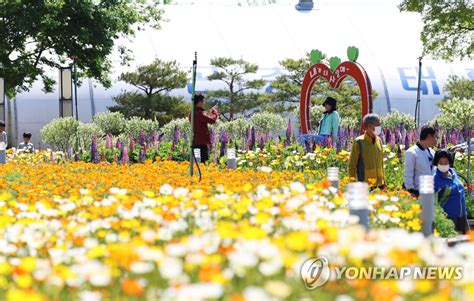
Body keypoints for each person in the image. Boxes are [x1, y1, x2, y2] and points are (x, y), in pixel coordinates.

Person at [433, 150, 469, 234]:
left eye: (446, 162)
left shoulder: (453, 174)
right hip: (449, 219)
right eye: (440, 162)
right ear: (436, 163)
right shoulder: (435, 179)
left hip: (462, 216)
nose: (443, 164)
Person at [348, 113, 385, 189]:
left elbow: (381, 162)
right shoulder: (358, 142)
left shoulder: (379, 140)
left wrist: (383, 181)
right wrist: (352, 183)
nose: (379, 127)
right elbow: (352, 165)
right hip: (365, 184)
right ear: (369, 126)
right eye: (377, 124)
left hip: (379, 184)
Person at [403, 126, 436, 197]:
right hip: (416, 192)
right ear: (429, 137)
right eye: (435, 137)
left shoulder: (432, 152)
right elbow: (408, 173)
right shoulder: (412, 152)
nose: (436, 140)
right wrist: (410, 191)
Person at [190, 94, 218, 163]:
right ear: (199, 102)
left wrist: (209, 112)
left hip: (195, 141)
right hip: (201, 142)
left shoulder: (192, 113)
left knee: (196, 163)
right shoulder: (199, 113)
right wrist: (215, 113)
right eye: (203, 102)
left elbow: (204, 117)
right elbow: (212, 120)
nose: (204, 103)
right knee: (203, 163)